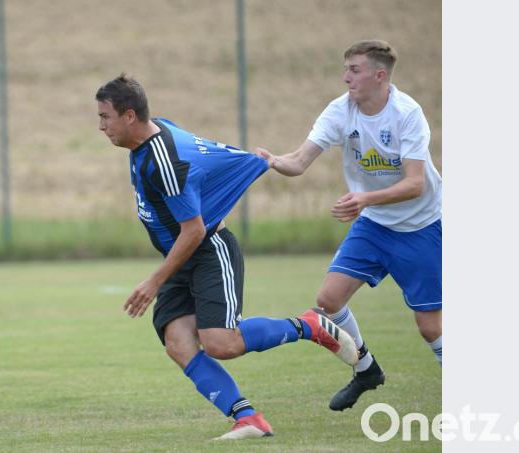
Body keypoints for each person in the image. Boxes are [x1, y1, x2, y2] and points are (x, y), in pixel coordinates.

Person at [95, 74, 358, 440]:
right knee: (179, 342)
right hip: (182, 256)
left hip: (207, 251)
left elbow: (195, 230)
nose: (101, 125)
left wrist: (154, 281)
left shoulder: (164, 163)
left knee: (222, 343)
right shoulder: (152, 137)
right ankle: (248, 418)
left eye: (105, 116)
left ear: (128, 116)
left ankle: (309, 326)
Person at [257, 39, 442, 412]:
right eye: (345, 70)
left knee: (430, 327)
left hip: (422, 225)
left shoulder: (407, 113)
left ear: (379, 75)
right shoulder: (340, 111)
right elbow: (299, 160)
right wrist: (274, 161)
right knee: (328, 301)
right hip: (374, 224)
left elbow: (415, 183)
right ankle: (366, 369)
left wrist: (364, 199)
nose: (345, 78)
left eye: (354, 70)